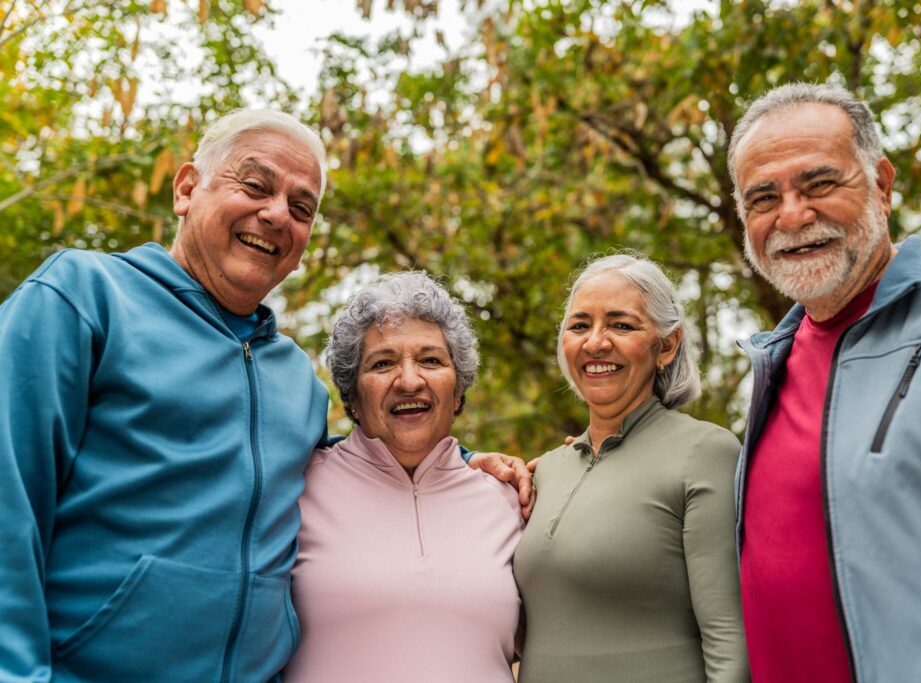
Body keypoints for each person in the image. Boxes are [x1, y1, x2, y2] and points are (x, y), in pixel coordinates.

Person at [0, 109, 530, 682]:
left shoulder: (296, 381)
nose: (276, 214)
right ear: (186, 188)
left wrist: (466, 463)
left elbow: (360, 459)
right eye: (254, 185)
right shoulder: (84, 299)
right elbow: (9, 496)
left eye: (301, 208)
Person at [728, 82, 921, 682]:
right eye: (764, 198)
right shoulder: (768, 367)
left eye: (819, 184)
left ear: (882, 185)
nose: (792, 215)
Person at [514, 254, 749, 682]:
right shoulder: (546, 471)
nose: (596, 343)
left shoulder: (705, 452)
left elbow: (730, 645)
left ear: (667, 344)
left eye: (621, 325)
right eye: (580, 325)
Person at [284, 271, 522, 682]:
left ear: (459, 389)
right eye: (383, 363)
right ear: (353, 397)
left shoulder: (511, 498)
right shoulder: (293, 489)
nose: (409, 381)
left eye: (430, 360)